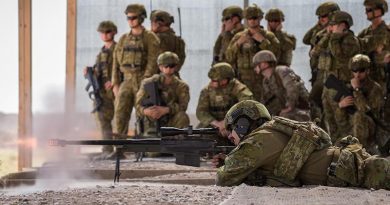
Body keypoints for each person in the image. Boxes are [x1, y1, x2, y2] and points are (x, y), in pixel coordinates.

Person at [214, 100, 390, 190]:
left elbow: (223, 179)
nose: (230, 135)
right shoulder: (271, 132)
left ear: (243, 124)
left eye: (232, 129)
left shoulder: (258, 141)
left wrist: (227, 164)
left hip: (360, 171)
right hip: (352, 165)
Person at [111, 4, 160, 142]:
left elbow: (153, 60)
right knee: (120, 112)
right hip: (126, 80)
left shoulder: (150, 37)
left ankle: (142, 145)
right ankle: (119, 147)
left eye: (133, 17)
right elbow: (116, 62)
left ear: (141, 18)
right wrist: (115, 83)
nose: (130, 20)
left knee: (143, 113)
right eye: (128, 17)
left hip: (143, 80)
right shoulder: (123, 39)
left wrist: (145, 81)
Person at [226, 4, 281, 102]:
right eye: (249, 18)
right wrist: (238, 43)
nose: (252, 20)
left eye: (255, 17)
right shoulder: (239, 36)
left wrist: (263, 41)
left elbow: (277, 54)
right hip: (243, 78)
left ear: (260, 18)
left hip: (263, 78)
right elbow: (229, 56)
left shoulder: (268, 36)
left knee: (265, 106)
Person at [321, 11, 361, 142]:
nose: (331, 27)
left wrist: (335, 35)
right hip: (331, 85)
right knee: (330, 121)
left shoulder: (350, 40)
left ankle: (347, 152)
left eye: (334, 25)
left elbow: (339, 55)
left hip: (342, 86)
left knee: (343, 123)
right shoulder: (334, 39)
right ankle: (336, 151)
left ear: (343, 25)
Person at [196, 62, 253, 144]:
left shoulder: (239, 88)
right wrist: (218, 124)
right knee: (199, 134)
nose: (211, 82)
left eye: (214, 80)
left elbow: (247, 106)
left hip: (235, 124)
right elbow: (201, 112)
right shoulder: (207, 91)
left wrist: (227, 123)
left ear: (224, 80)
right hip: (216, 125)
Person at [83, 21, 117, 159]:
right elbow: (98, 71)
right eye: (102, 32)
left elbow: (123, 69)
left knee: (120, 119)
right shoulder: (101, 53)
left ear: (114, 32)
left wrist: (115, 82)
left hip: (116, 89)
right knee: (102, 118)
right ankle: (107, 149)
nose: (104, 35)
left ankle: (119, 149)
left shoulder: (118, 49)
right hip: (102, 90)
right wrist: (89, 73)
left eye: (107, 32)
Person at [135, 51, 190, 136]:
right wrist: (146, 111)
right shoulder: (148, 83)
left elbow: (183, 106)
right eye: (165, 66)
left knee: (182, 116)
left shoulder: (182, 86)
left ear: (175, 67)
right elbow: (138, 104)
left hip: (171, 120)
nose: (168, 69)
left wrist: (165, 110)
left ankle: (178, 145)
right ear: (160, 67)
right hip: (151, 120)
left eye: (171, 66)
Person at [303, 1, 340, 123]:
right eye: (319, 17)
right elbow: (307, 40)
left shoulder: (340, 33)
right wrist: (319, 25)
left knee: (333, 107)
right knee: (314, 101)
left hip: (333, 75)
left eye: (323, 16)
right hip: (319, 73)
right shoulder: (320, 32)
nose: (321, 19)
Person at [252, 50, 310, 121]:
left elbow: (292, 87)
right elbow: (265, 101)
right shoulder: (266, 81)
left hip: (303, 109)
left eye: (256, 65)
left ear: (264, 64)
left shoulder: (282, 71)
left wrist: (290, 106)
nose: (254, 68)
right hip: (291, 111)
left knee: (284, 116)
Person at [358, 0, 390, 87]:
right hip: (365, 78)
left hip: (380, 80)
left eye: (368, 10)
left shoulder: (385, 33)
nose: (366, 13)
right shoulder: (365, 32)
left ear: (378, 11)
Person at [150, 10, 186, 76]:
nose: (151, 25)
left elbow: (152, 63)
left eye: (152, 22)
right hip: (172, 79)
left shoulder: (156, 39)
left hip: (156, 80)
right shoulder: (178, 40)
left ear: (158, 24)